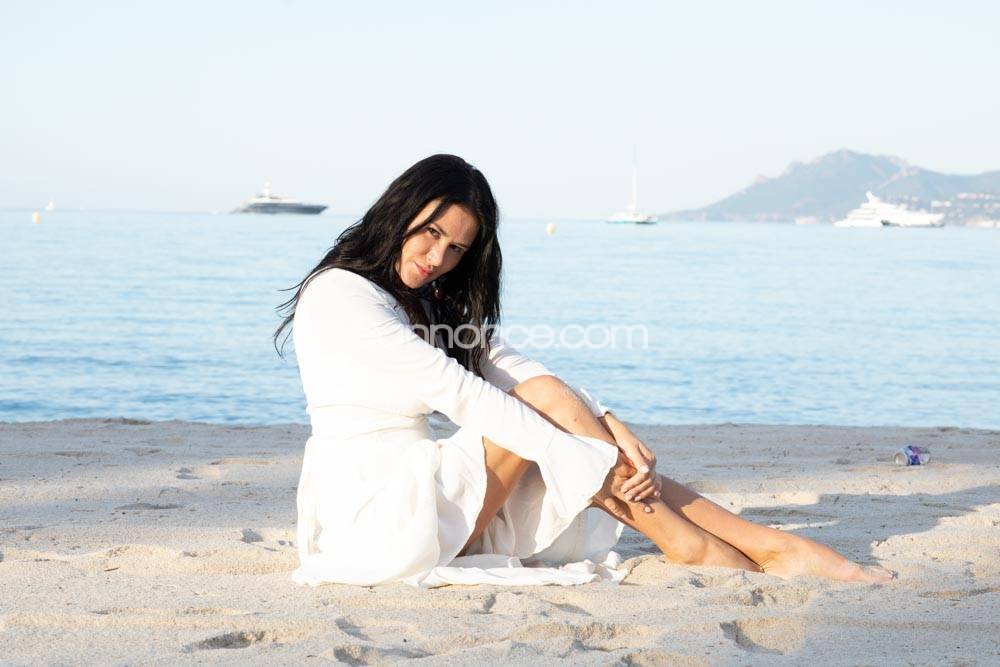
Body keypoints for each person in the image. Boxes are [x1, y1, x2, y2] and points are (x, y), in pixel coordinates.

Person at [275, 154, 893, 588]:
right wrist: (581, 449)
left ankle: (757, 543)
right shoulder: (341, 294)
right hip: (374, 518)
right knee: (547, 416)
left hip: (422, 504)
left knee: (548, 400)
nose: (438, 257)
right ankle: (709, 543)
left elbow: (507, 366)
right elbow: (460, 394)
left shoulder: (419, 299)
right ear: (399, 212)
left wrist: (605, 424)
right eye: (431, 233)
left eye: (457, 248)